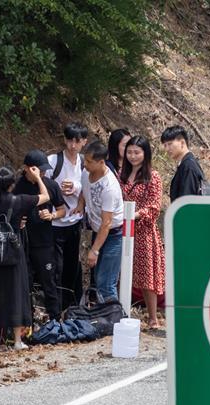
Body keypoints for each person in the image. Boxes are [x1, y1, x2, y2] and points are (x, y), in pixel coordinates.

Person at [0, 166, 49, 350]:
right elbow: (46, 196)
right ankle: (16, 341)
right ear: (11, 185)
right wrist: (38, 178)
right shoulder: (19, 200)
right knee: (16, 294)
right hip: (14, 256)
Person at [14, 150, 66, 321]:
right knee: (25, 282)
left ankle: (56, 318)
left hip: (44, 242)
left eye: (44, 170)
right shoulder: (17, 186)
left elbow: (62, 210)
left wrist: (52, 216)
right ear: (27, 169)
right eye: (38, 170)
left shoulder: (50, 185)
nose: (42, 173)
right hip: (23, 241)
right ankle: (26, 321)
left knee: (49, 281)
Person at [119, 136, 165, 328]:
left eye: (137, 152)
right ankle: (121, 312)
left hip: (144, 232)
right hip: (122, 229)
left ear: (145, 154)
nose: (133, 156)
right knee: (121, 272)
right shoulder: (121, 173)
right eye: (130, 152)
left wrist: (136, 214)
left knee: (147, 276)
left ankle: (152, 317)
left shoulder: (153, 177)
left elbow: (155, 206)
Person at [77, 141, 125, 301]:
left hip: (113, 234)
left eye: (90, 161)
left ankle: (113, 320)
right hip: (98, 231)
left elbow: (107, 223)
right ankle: (100, 316)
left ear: (101, 162)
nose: (85, 164)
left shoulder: (109, 187)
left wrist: (94, 251)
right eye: (85, 159)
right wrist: (80, 204)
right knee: (98, 278)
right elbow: (84, 189)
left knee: (106, 282)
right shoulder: (86, 173)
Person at [49, 123, 88, 309]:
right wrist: (57, 191)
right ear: (64, 140)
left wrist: (76, 188)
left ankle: (70, 304)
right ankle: (55, 305)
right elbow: (43, 185)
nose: (73, 145)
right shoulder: (53, 161)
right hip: (55, 222)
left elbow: (89, 188)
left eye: (77, 141)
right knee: (56, 266)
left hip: (74, 220)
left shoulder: (85, 163)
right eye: (70, 140)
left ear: (84, 142)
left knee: (72, 264)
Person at [161, 126, 204, 202]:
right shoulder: (186, 164)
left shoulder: (189, 166)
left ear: (182, 143)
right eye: (165, 145)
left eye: (170, 144)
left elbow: (186, 202)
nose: (167, 149)